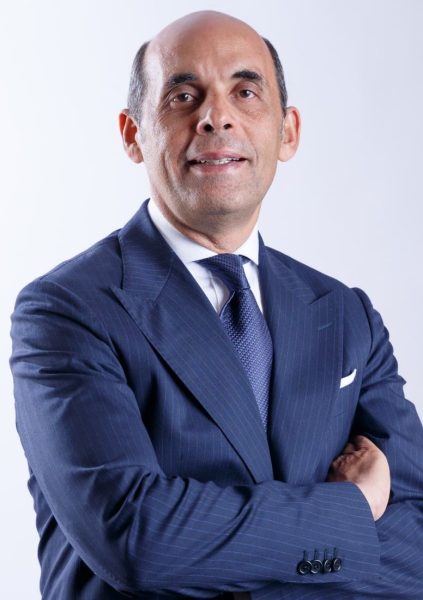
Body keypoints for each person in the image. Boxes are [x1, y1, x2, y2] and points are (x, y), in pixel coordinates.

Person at [10, 10, 423, 600]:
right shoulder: (66, 311)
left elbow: (416, 539)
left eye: (245, 92)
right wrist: (352, 509)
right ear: (132, 134)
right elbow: (136, 536)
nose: (216, 117)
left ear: (287, 132)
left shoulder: (345, 315)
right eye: (183, 96)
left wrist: (225, 555)